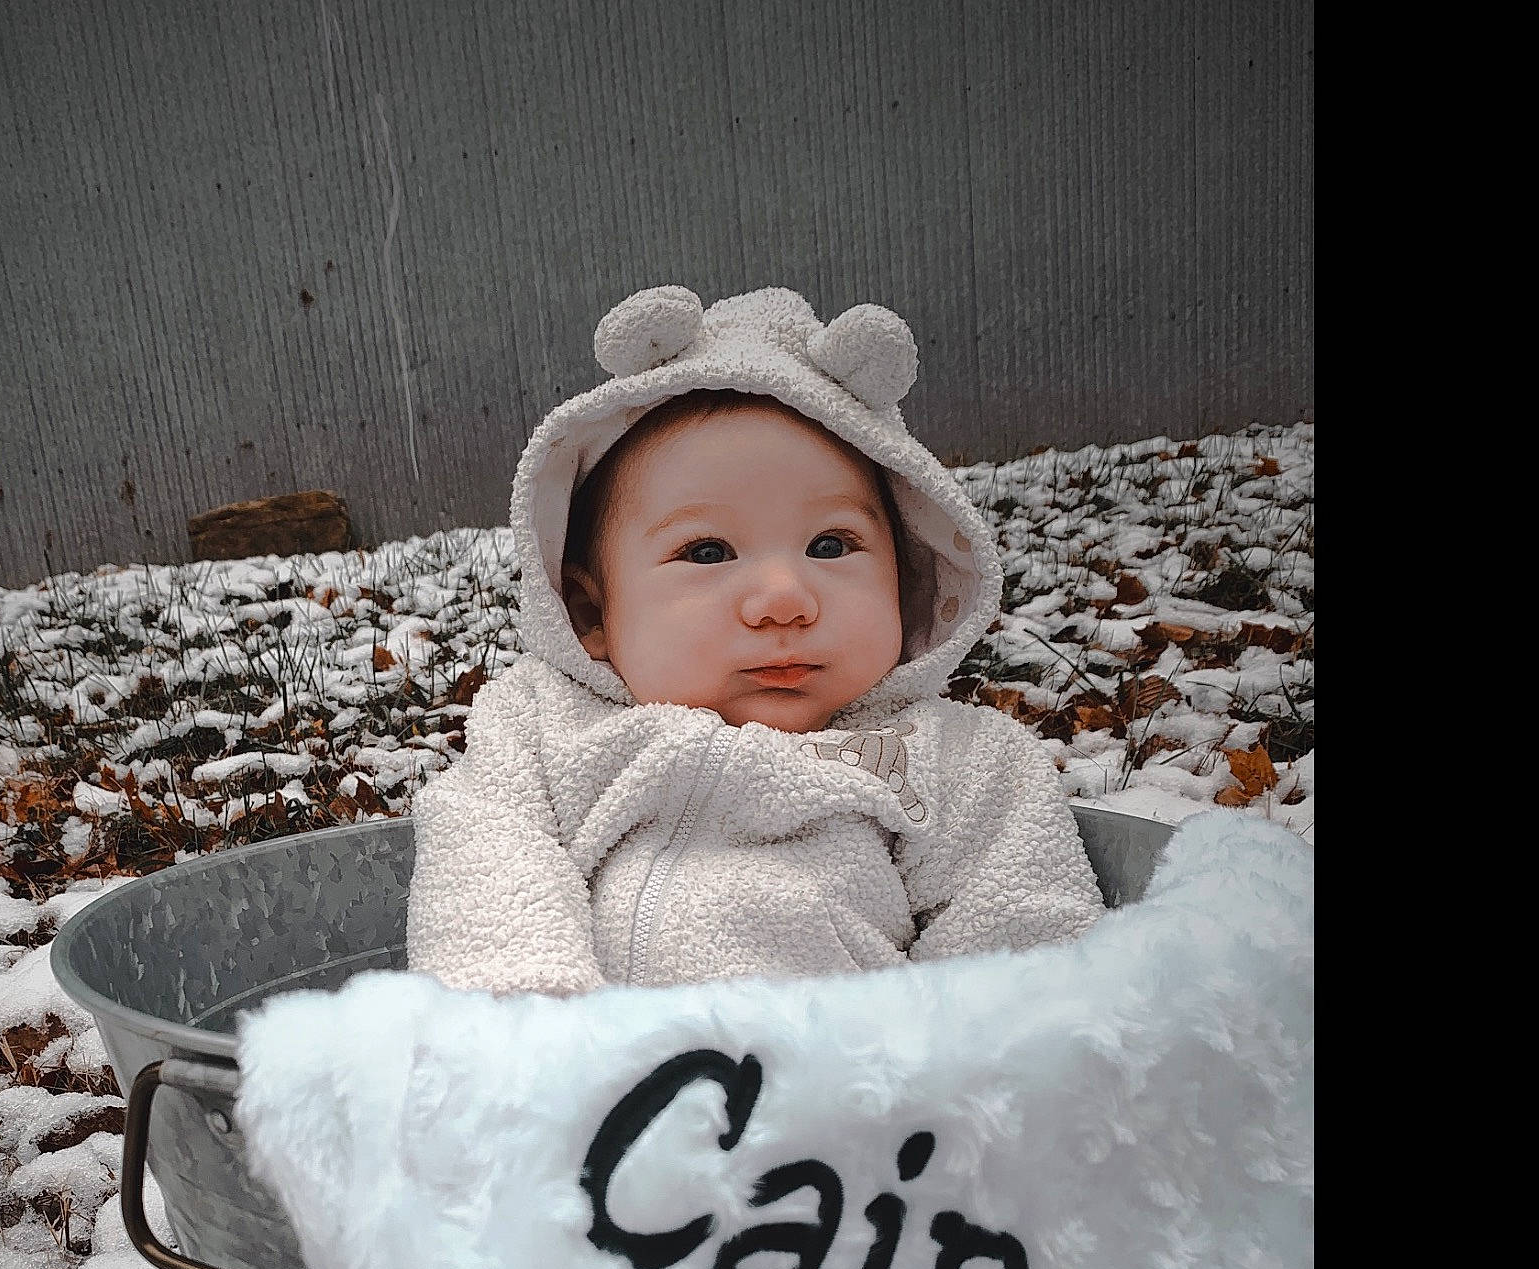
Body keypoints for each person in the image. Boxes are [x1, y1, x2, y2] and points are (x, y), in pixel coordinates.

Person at [406, 286, 1104, 994]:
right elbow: (486, 859)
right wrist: (519, 1029)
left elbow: (1026, 948)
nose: (784, 600)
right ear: (591, 612)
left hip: (851, 1082)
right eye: (708, 552)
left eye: (831, 544)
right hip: (615, 1082)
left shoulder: (960, 761)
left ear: (908, 577)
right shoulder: (545, 729)